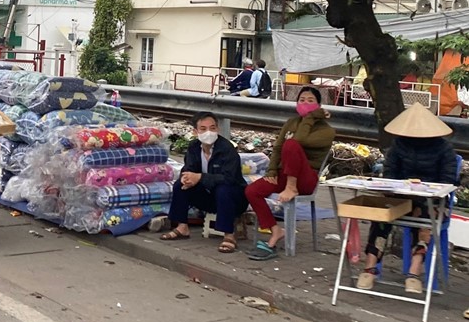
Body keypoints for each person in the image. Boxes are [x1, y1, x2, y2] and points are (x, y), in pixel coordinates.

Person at [355, 102, 457, 293]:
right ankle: (370, 267)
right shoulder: (399, 145)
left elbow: (449, 180)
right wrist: (397, 187)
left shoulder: (444, 149)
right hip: (401, 198)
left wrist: (428, 190)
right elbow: (389, 172)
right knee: (381, 216)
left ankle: (414, 272)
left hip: (433, 202)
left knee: (427, 219)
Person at [245, 86, 335, 260]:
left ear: (319, 105)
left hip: (305, 179)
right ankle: (275, 230)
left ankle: (291, 188)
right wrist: (271, 171)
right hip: (284, 173)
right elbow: (278, 148)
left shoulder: (326, 130)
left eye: (310, 101)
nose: (305, 103)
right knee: (252, 191)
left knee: (291, 144)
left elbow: (298, 141)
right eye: (302, 100)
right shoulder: (291, 123)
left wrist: (310, 117)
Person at [159, 112, 248, 253]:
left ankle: (229, 235)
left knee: (223, 189)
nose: (209, 132)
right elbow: (188, 168)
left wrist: (200, 177)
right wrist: (186, 177)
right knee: (180, 186)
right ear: (195, 132)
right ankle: (182, 227)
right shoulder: (194, 147)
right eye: (203, 129)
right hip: (209, 197)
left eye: (212, 128)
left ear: (217, 129)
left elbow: (230, 179)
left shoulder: (227, 150)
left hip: (234, 199)